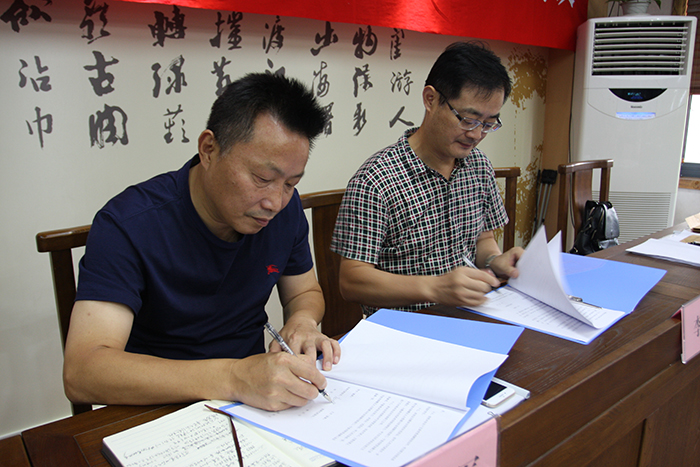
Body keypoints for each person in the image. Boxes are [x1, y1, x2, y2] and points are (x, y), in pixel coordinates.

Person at [63, 73, 340, 412]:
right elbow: (83, 372)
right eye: (262, 178)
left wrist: (303, 321)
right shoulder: (129, 224)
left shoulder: (285, 211)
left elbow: (303, 292)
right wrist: (234, 378)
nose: (275, 202)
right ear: (209, 149)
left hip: (252, 402)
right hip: (155, 406)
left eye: (290, 183)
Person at [331, 41, 524, 316]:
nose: (476, 134)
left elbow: (483, 240)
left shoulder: (479, 166)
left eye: (488, 123)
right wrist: (435, 288)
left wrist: (494, 260)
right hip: (403, 328)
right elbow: (351, 281)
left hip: (469, 316)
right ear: (430, 99)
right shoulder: (376, 180)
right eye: (468, 119)